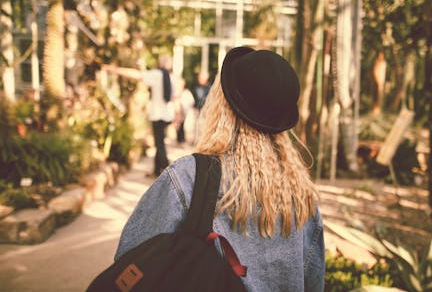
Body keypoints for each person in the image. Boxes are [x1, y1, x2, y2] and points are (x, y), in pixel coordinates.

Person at [114, 47, 325, 292]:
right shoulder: (302, 196)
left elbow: (130, 262)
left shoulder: (189, 178)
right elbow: (313, 283)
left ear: (223, 106)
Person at [102, 54, 178, 176]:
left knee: (159, 144)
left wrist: (115, 70)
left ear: (160, 63)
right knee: (160, 141)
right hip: (167, 114)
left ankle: (166, 171)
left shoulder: (157, 75)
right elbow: (175, 97)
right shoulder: (172, 77)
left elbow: (137, 75)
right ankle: (157, 170)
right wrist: (177, 115)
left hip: (157, 114)